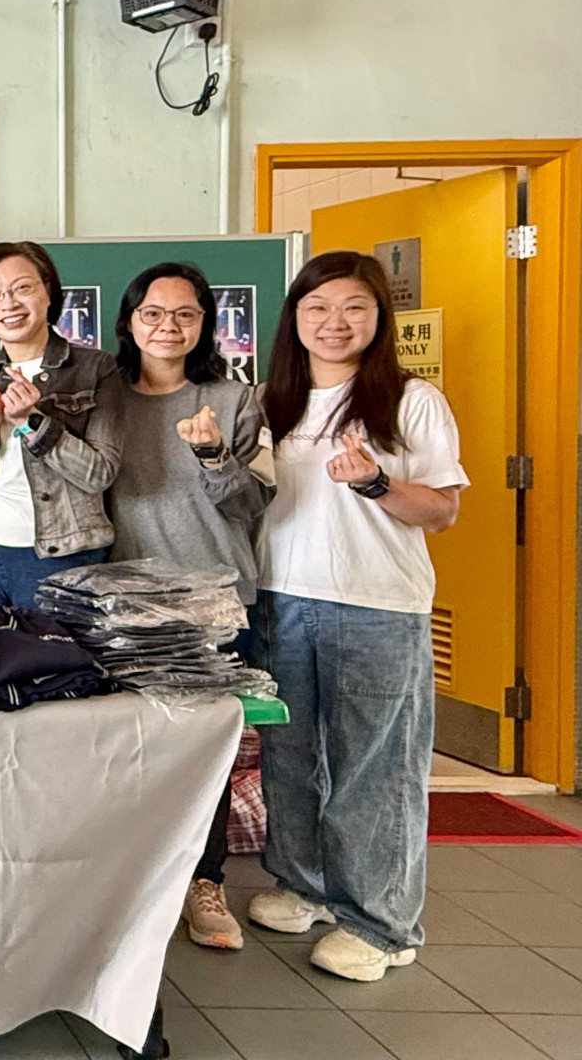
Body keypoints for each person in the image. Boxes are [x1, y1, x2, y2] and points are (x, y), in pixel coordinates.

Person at [247, 251, 466, 983]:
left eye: (353, 309)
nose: (334, 323)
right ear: (295, 319)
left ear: (379, 317)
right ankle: (303, 886)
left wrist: (375, 482)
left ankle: (381, 924)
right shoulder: (272, 400)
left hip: (376, 606)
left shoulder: (410, 401)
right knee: (290, 756)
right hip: (281, 598)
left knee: (375, 766)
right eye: (317, 308)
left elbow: (441, 510)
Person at [105, 261, 275, 952]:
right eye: (153, 313)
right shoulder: (104, 398)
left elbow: (254, 502)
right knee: (129, 749)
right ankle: (134, 883)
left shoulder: (235, 400)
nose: (168, 327)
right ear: (130, 322)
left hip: (216, 604)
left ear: (206, 324)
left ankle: (205, 882)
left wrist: (212, 455)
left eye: (185, 314)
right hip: (123, 604)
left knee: (208, 751)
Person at [0, 242, 121, 606]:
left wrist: (30, 421)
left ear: (48, 292)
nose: (7, 304)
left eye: (22, 288)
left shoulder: (95, 367)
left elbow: (100, 472)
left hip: (63, 555)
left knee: (55, 646)